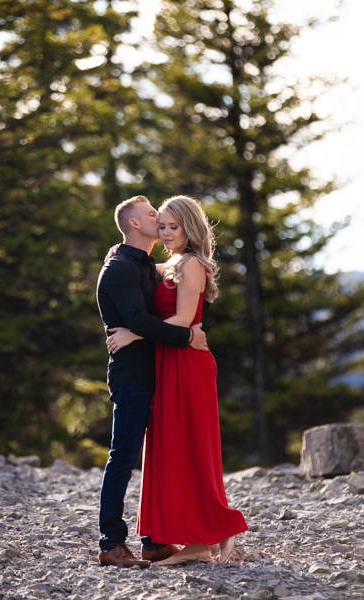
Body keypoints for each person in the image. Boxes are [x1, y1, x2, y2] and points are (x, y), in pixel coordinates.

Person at [106, 195, 247, 565]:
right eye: (161, 223)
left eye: (172, 226)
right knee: (172, 451)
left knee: (193, 449)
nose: (165, 231)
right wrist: (115, 253)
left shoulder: (190, 264)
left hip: (185, 362)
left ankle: (219, 526)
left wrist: (133, 335)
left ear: (189, 227)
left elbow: (183, 321)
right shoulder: (164, 264)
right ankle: (194, 543)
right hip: (166, 363)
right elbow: (137, 278)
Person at [95, 195, 209, 568]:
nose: (159, 220)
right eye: (152, 217)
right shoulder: (120, 268)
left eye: (166, 221)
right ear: (133, 224)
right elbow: (140, 322)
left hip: (160, 371)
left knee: (159, 456)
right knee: (124, 456)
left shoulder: (144, 263)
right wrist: (188, 336)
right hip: (134, 375)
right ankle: (111, 543)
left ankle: (156, 541)